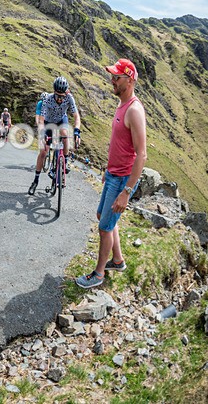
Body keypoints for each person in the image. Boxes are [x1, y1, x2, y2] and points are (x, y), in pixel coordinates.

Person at [76, 59, 147, 288]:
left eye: (117, 77)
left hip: (122, 180)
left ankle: (98, 274)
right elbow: (118, 144)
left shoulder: (134, 110)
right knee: (103, 217)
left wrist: (126, 192)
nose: (112, 81)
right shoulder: (121, 105)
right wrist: (108, 169)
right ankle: (117, 260)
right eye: (112, 76)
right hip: (113, 174)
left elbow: (141, 154)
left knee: (104, 227)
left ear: (130, 80)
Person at [28, 77, 81, 195]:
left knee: (65, 134)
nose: (60, 99)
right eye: (57, 96)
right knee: (43, 152)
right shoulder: (47, 99)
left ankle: (64, 162)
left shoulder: (69, 98)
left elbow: (76, 117)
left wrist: (77, 131)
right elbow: (41, 121)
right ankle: (35, 181)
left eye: (62, 96)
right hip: (48, 123)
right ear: (54, 92)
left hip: (61, 120)